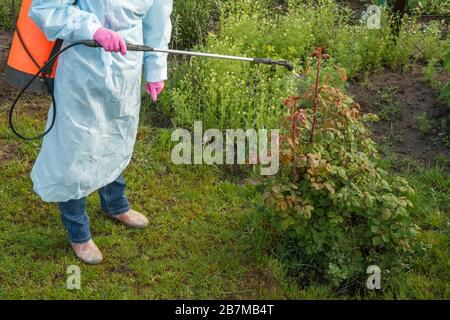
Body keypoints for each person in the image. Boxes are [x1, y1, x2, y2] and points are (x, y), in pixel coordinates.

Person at [29, 0, 173, 264]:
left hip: (126, 67)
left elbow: (158, 21)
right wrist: (92, 29)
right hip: (83, 67)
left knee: (115, 136)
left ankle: (115, 204)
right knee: (75, 147)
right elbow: (44, 8)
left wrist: (155, 70)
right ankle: (78, 232)